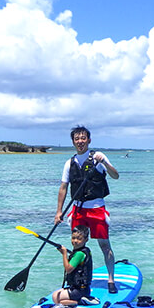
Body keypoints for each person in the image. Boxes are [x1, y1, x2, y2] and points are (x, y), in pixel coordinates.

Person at [54, 125, 120, 293]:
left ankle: (111, 279)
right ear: (73, 142)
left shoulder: (98, 157)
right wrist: (59, 211)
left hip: (96, 208)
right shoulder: (69, 163)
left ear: (89, 140)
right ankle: (76, 281)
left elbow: (115, 175)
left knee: (104, 245)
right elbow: (63, 187)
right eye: (77, 139)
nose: (80, 141)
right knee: (77, 246)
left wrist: (104, 162)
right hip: (77, 209)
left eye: (83, 138)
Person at [52, 225, 95, 306]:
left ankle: (80, 301)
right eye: (73, 238)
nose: (75, 241)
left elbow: (68, 269)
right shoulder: (84, 251)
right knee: (57, 294)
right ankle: (80, 299)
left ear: (86, 240)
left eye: (79, 239)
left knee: (55, 297)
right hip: (81, 288)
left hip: (80, 291)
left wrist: (64, 254)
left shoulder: (79, 254)